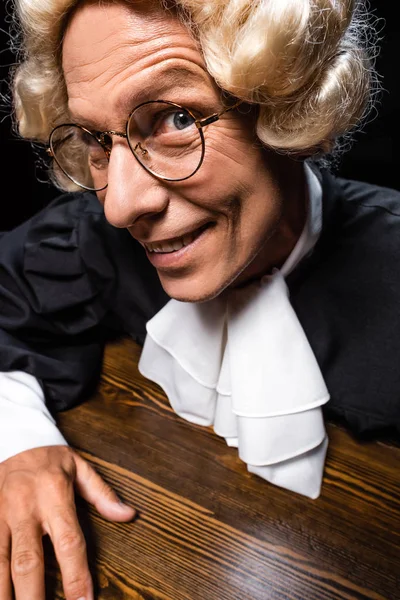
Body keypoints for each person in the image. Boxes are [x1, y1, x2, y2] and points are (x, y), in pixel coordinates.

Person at [0, 0, 398, 598]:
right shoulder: (88, 240)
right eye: (94, 138)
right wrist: (19, 442)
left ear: (285, 106)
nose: (120, 205)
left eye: (176, 117)